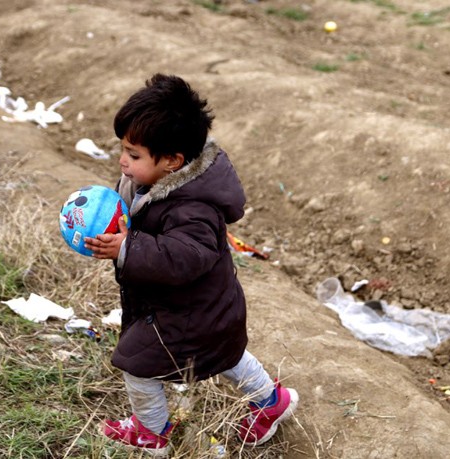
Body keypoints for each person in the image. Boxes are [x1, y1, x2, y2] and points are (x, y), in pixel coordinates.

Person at [83, 74, 298, 456]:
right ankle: (270, 402)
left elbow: (185, 257)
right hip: (204, 308)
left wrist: (126, 248)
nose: (122, 161)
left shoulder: (193, 208)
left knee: (135, 364)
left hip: (188, 313)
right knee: (226, 354)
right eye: (123, 150)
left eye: (133, 155)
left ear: (171, 161)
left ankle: (151, 432)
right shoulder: (159, 184)